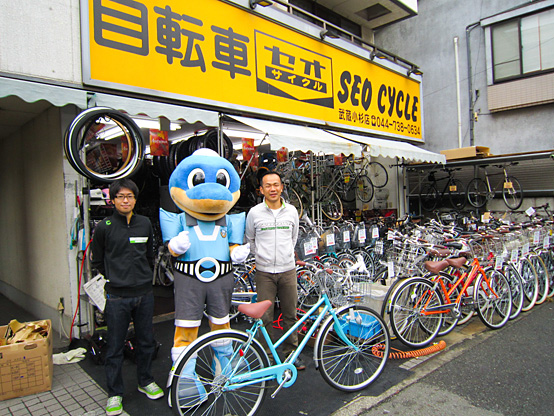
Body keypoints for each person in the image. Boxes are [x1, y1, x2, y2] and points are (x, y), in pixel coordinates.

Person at [90, 178, 164, 416]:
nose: (125, 200)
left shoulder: (144, 223)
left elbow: (149, 255)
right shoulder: (105, 226)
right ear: (112, 200)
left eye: (129, 196)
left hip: (143, 293)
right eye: (120, 197)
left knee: (146, 341)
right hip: (117, 296)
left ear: (135, 199)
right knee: (114, 346)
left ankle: (145, 381)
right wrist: (113, 278)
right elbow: (97, 259)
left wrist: (142, 277)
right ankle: (115, 394)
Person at [245, 170, 305, 370]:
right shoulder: (254, 213)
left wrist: (286, 256)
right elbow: (250, 239)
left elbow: (293, 238)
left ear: (281, 187)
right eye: (268, 185)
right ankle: (267, 357)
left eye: (276, 185)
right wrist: (261, 257)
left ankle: (291, 354)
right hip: (264, 273)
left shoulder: (292, 211)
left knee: (290, 315)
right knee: (265, 317)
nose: (273, 189)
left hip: (288, 271)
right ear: (261, 190)